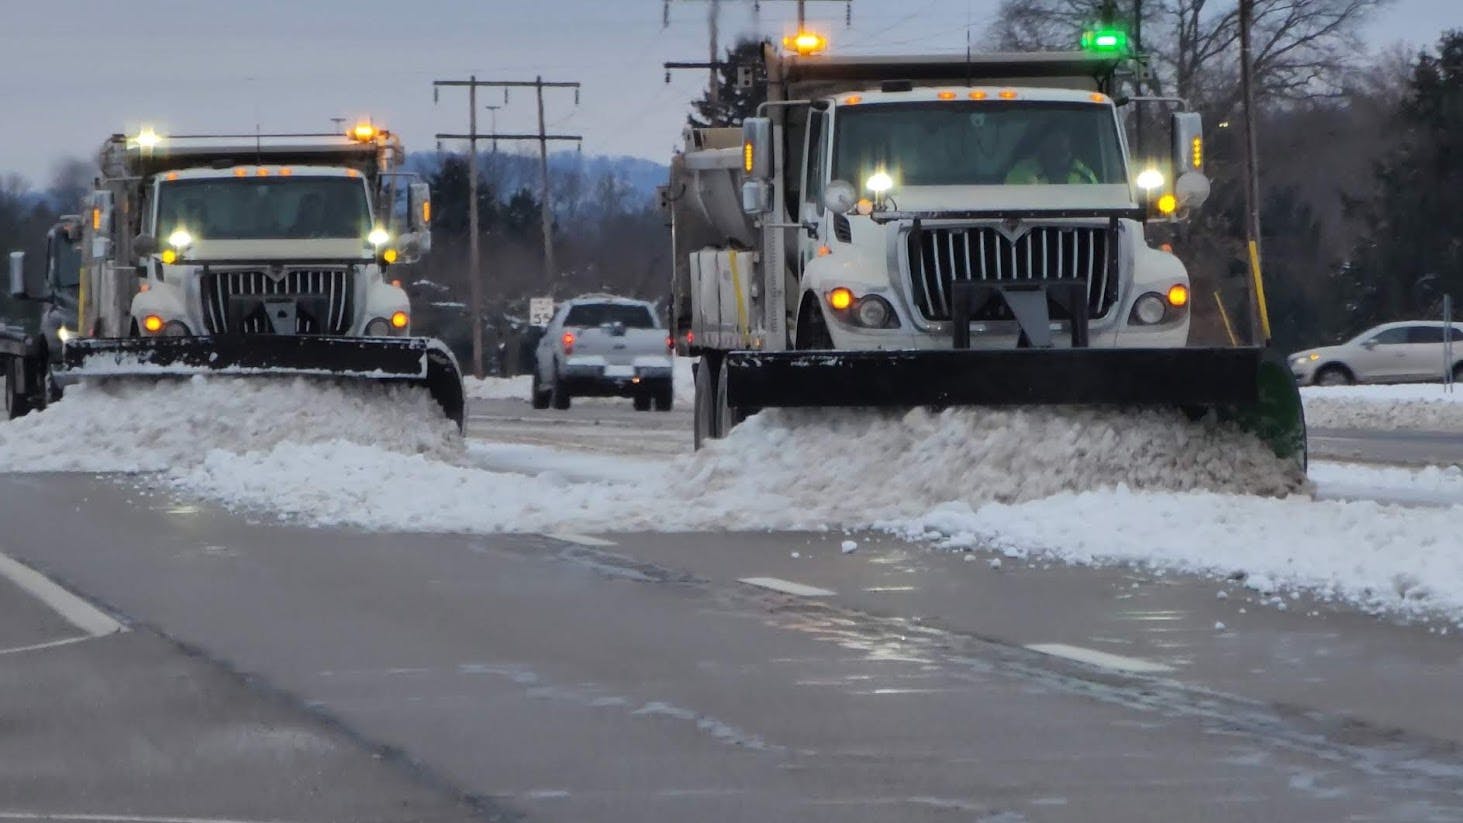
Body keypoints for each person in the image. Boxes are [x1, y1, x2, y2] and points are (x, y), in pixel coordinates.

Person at [1005, 131, 1099, 185]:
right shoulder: (1021, 173)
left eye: (1064, 151)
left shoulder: (1085, 176)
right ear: (1042, 145)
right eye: (1054, 147)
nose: (1059, 154)